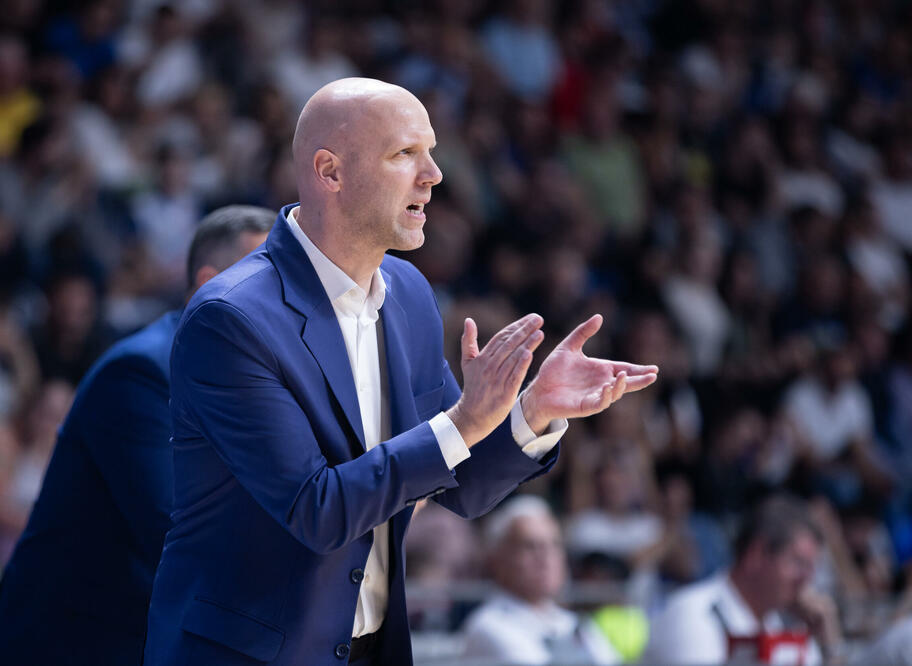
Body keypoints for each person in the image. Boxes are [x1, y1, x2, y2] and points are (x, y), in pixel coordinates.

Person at [143, 78, 657, 666]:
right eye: (405, 154)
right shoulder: (230, 319)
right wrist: (466, 419)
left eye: (431, 151)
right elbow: (319, 510)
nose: (434, 174)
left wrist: (531, 411)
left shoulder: (409, 293)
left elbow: (455, 481)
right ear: (329, 171)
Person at [0, 205, 275, 665]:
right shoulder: (141, 374)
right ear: (209, 285)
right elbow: (179, 535)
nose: (288, 301)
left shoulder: (255, 381)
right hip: (62, 649)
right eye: (270, 282)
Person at [644, 495, 843, 665]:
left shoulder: (785, 625)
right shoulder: (692, 614)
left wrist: (829, 645)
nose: (806, 578)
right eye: (798, 563)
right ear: (756, 555)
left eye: (811, 567)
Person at [461, 495, 622, 665]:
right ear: (498, 559)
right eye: (530, 546)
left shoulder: (575, 623)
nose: (545, 558)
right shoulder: (487, 627)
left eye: (554, 544)